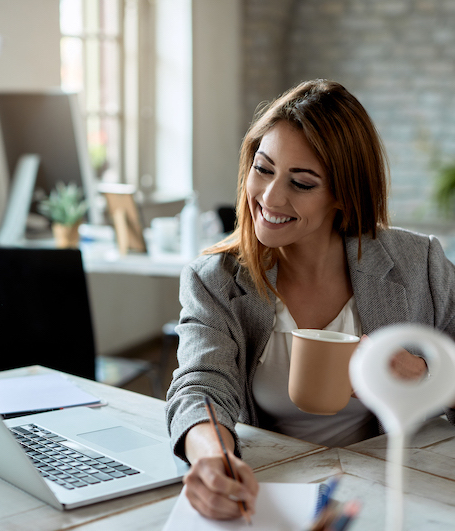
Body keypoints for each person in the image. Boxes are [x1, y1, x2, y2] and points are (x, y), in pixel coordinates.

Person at [165, 79, 455, 521]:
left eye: (301, 183)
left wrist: (428, 375)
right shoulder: (216, 281)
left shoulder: (420, 265)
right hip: (283, 494)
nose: (270, 197)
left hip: (406, 493)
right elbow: (201, 386)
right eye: (263, 169)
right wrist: (210, 456)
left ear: (342, 195)